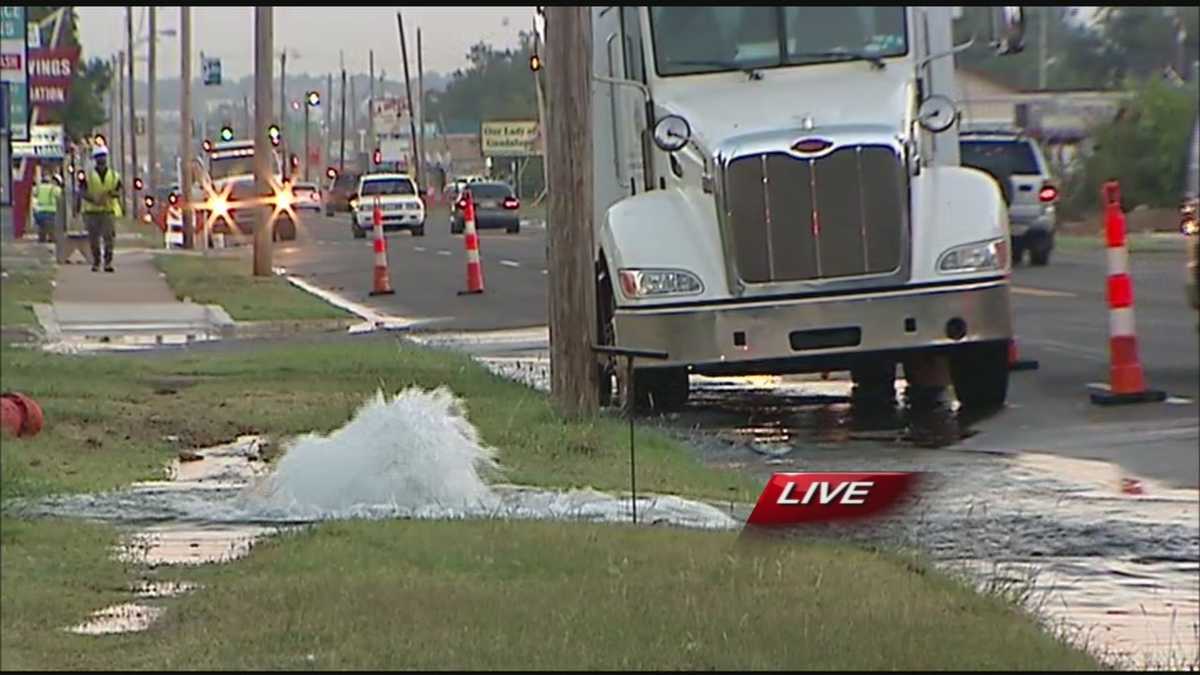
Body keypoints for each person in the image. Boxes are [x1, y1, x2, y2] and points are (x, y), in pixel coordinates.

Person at [81, 145, 123, 273]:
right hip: (91, 211)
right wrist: (94, 199)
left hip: (108, 210)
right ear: (95, 159)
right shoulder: (88, 175)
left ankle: (108, 262)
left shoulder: (114, 175)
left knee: (109, 238)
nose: (101, 160)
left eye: (103, 157)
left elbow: (119, 191)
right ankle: (96, 262)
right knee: (94, 239)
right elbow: (82, 191)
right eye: (99, 157)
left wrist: (109, 195)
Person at [31, 171, 63, 243]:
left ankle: (41, 241)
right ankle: (51, 242)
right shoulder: (55, 188)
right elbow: (60, 197)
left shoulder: (38, 188)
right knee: (52, 231)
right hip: (50, 212)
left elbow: (34, 194)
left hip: (39, 212)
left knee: (41, 229)